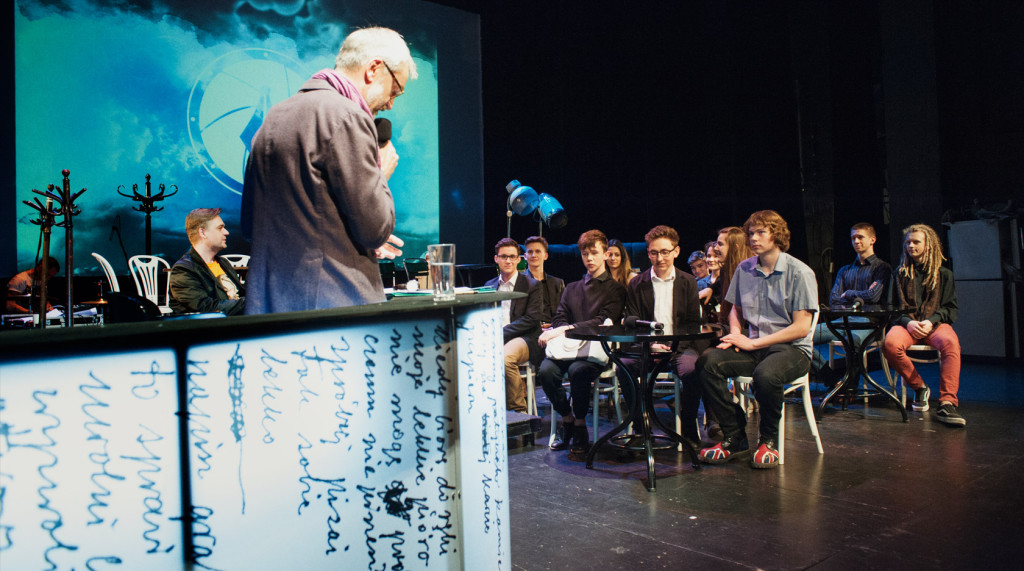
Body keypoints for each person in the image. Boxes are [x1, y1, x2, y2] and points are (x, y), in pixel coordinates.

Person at [241, 27, 414, 314]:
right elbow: (374, 230)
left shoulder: (272, 118)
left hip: (270, 308)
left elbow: (251, 226)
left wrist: (340, 238)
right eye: (395, 90)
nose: (391, 103)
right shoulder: (347, 116)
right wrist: (381, 174)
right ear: (373, 69)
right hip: (334, 308)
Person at [697, 210, 818, 469]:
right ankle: (734, 434)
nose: (753, 238)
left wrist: (752, 343)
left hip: (791, 350)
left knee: (766, 374)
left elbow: (801, 328)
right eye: (751, 233)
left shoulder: (799, 272)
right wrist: (736, 334)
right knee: (707, 362)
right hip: (754, 347)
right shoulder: (744, 269)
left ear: (777, 235)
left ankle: (768, 441)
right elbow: (736, 310)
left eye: (761, 232)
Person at [537, 230, 625, 455]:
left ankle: (580, 425)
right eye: (585, 254)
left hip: (595, 351)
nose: (590, 258)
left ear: (605, 254)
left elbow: (602, 322)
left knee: (578, 371)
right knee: (546, 371)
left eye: (594, 253)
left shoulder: (616, 289)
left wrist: (566, 329)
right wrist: (564, 327)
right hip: (568, 349)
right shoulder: (572, 287)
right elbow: (559, 317)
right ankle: (567, 419)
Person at [622, 225, 706, 447]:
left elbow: (693, 324)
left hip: (679, 347)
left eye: (665, 252)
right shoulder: (637, 283)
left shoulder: (687, 281)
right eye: (654, 252)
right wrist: (651, 345)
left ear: (676, 251)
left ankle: (688, 426)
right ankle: (640, 426)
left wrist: (673, 346)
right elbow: (633, 321)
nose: (659, 258)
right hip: (647, 347)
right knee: (624, 366)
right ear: (648, 253)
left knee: (692, 369)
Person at [882, 224, 965, 427]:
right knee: (890, 344)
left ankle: (947, 402)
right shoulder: (899, 274)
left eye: (916, 242)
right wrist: (908, 322)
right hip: (907, 324)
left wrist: (931, 321)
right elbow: (892, 308)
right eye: (908, 242)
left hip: (934, 324)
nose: (911, 246)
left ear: (929, 245)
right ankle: (919, 387)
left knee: (951, 343)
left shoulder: (944, 274)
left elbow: (950, 308)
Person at [811, 223, 892, 385]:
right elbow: (834, 300)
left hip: (868, 323)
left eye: (860, 237)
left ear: (872, 240)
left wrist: (848, 294)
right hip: (842, 321)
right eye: (853, 238)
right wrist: (861, 296)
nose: (856, 241)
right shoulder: (845, 270)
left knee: (852, 340)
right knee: (802, 337)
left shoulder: (882, 268)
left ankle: (851, 388)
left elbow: (874, 296)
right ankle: (832, 380)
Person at [484, 238, 545, 413]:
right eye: (504, 256)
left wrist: (501, 333)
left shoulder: (532, 285)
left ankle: (519, 413)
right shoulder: (489, 286)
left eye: (512, 257)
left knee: (505, 358)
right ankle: (486, 409)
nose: (508, 261)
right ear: (496, 259)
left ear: (519, 259)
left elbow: (532, 318)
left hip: (524, 338)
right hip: (495, 338)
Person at [169, 208, 246, 316]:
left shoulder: (223, 262)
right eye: (220, 228)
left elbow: (241, 294)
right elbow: (206, 308)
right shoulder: (183, 270)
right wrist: (249, 303)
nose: (226, 232)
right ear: (203, 232)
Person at [714, 226, 752, 329]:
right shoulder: (725, 272)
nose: (715, 248)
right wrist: (710, 288)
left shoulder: (750, 274)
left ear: (735, 247)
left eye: (720, 244)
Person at [523, 236, 565, 327]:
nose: (533, 255)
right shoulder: (519, 281)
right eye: (530, 252)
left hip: (553, 329)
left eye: (538, 251)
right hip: (528, 330)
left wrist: (553, 325)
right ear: (525, 256)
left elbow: (563, 313)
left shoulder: (557, 283)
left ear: (545, 256)